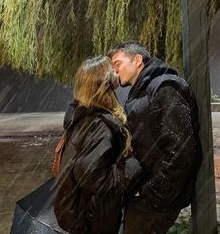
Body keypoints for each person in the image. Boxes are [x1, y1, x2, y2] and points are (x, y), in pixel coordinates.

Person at [108, 41, 202, 234]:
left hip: (155, 201)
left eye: (117, 64)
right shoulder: (142, 91)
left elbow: (182, 153)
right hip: (145, 193)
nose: (115, 72)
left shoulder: (164, 88)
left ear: (137, 60)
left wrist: (151, 194)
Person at [54, 56, 143, 234]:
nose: (116, 72)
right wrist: (131, 168)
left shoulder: (81, 117)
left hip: (85, 216)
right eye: (112, 69)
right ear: (104, 82)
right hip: (94, 222)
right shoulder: (97, 126)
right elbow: (93, 177)